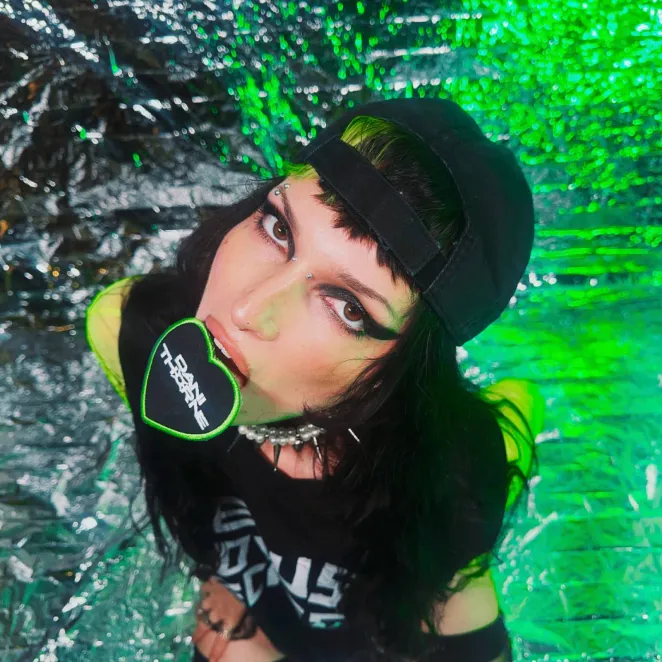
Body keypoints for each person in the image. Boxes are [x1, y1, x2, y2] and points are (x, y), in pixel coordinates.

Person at [86, 99, 545, 661]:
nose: (248, 310)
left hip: (382, 619)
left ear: (405, 367)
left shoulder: (450, 473)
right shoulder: (131, 331)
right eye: (278, 227)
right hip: (258, 603)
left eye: (348, 307)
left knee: (517, 411)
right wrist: (225, 577)